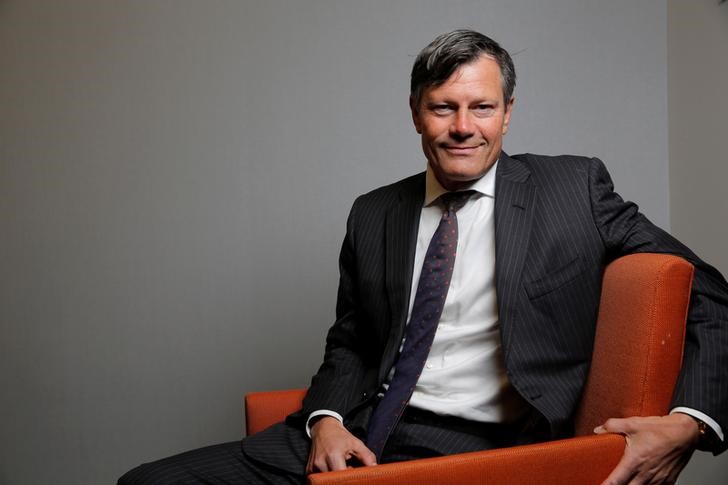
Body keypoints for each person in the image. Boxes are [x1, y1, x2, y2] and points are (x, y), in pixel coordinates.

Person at [119, 29, 727, 485]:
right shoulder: (374, 212)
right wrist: (326, 420)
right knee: (145, 482)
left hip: (477, 447)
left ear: (508, 114)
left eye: (482, 107)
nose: (464, 127)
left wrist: (692, 421)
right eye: (443, 107)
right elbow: (353, 341)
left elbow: (708, 292)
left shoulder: (574, 190)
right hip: (353, 423)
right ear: (415, 113)